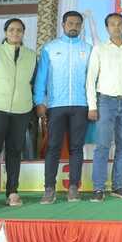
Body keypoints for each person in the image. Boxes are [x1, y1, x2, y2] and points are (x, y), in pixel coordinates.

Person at [0, 18, 37, 210]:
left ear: (23, 33)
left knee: (15, 151)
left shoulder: (31, 56)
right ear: (5, 32)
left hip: (21, 109)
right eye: (11, 30)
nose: (15, 33)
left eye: (19, 30)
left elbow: (32, 82)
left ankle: (12, 192)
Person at [34, 11, 92, 204]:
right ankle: (49, 188)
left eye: (77, 24)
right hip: (55, 105)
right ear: (63, 24)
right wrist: (39, 101)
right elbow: (41, 77)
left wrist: (92, 104)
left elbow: (92, 80)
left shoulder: (88, 49)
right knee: (53, 147)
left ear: (81, 26)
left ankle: (74, 187)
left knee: (76, 147)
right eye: (70, 23)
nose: (74, 27)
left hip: (80, 105)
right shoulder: (50, 48)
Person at [86, 12, 122, 202]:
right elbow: (90, 79)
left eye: (119, 24)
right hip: (105, 102)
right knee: (102, 145)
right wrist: (92, 106)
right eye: (112, 24)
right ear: (107, 28)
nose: (116, 27)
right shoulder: (99, 49)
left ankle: (118, 186)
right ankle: (98, 188)